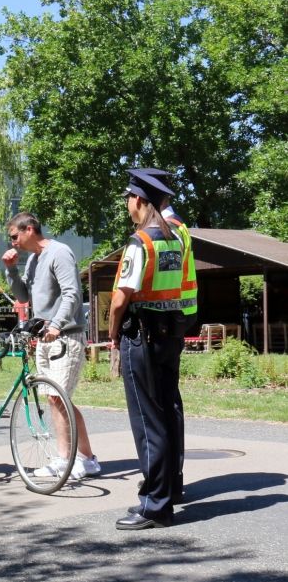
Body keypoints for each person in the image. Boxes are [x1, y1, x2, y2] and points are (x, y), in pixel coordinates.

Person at [108, 171, 186, 530]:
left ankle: (154, 506)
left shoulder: (141, 242)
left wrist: (113, 333)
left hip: (141, 335)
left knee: (146, 420)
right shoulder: (175, 239)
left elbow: (120, 297)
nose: (127, 205)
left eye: (128, 198)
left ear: (138, 200)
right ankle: (166, 494)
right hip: (170, 332)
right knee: (166, 415)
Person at [2, 212, 100, 481]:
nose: (12, 242)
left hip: (65, 335)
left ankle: (69, 460)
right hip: (45, 338)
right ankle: (84, 459)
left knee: (58, 398)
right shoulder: (34, 259)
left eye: (14, 236)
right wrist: (10, 270)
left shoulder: (59, 252)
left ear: (29, 229)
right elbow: (24, 296)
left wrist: (56, 324)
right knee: (56, 399)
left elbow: (72, 293)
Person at [126, 168, 197, 503]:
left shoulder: (152, 236)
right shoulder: (179, 229)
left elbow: (130, 291)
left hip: (151, 326)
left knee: (150, 412)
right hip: (176, 322)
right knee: (169, 406)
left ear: (142, 198)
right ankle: (171, 480)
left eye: (130, 197)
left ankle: (158, 490)